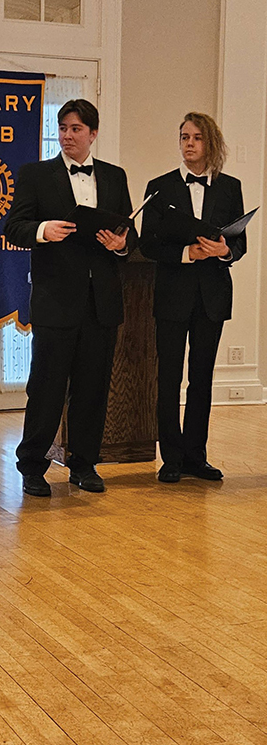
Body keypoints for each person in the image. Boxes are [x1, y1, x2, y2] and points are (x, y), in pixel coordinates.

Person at [3, 98, 136, 497]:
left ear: (93, 134)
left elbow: (130, 234)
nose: (67, 135)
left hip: (101, 301)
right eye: (62, 128)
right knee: (45, 386)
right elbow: (14, 227)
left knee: (93, 387)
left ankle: (84, 464)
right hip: (55, 299)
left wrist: (119, 244)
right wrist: (44, 229)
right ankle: (32, 467)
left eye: (76, 129)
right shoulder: (35, 174)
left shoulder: (114, 176)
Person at [140, 112, 246, 482]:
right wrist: (188, 253)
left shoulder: (230, 187)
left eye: (197, 137)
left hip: (212, 297)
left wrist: (222, 252)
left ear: (210, 143)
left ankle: (195, 457)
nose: (188, 143)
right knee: (168, 378)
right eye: (184, 136)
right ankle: (170, 458)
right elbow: (148, 243)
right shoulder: (160, 187)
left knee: (202, 378)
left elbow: (239, 243)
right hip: (173, 293)